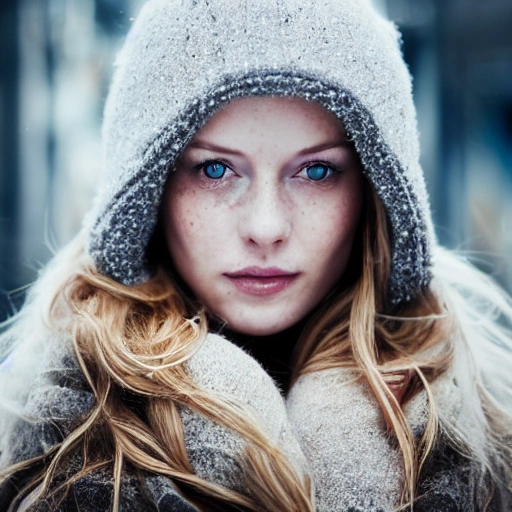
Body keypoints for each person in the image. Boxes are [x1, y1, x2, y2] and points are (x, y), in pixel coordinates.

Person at [1, 0, 511, 510]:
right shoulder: (51, 450)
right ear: (148, 192)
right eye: (216, 170)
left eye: (315, 172)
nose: (266, 227)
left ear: (376, 194)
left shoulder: (488, 453)